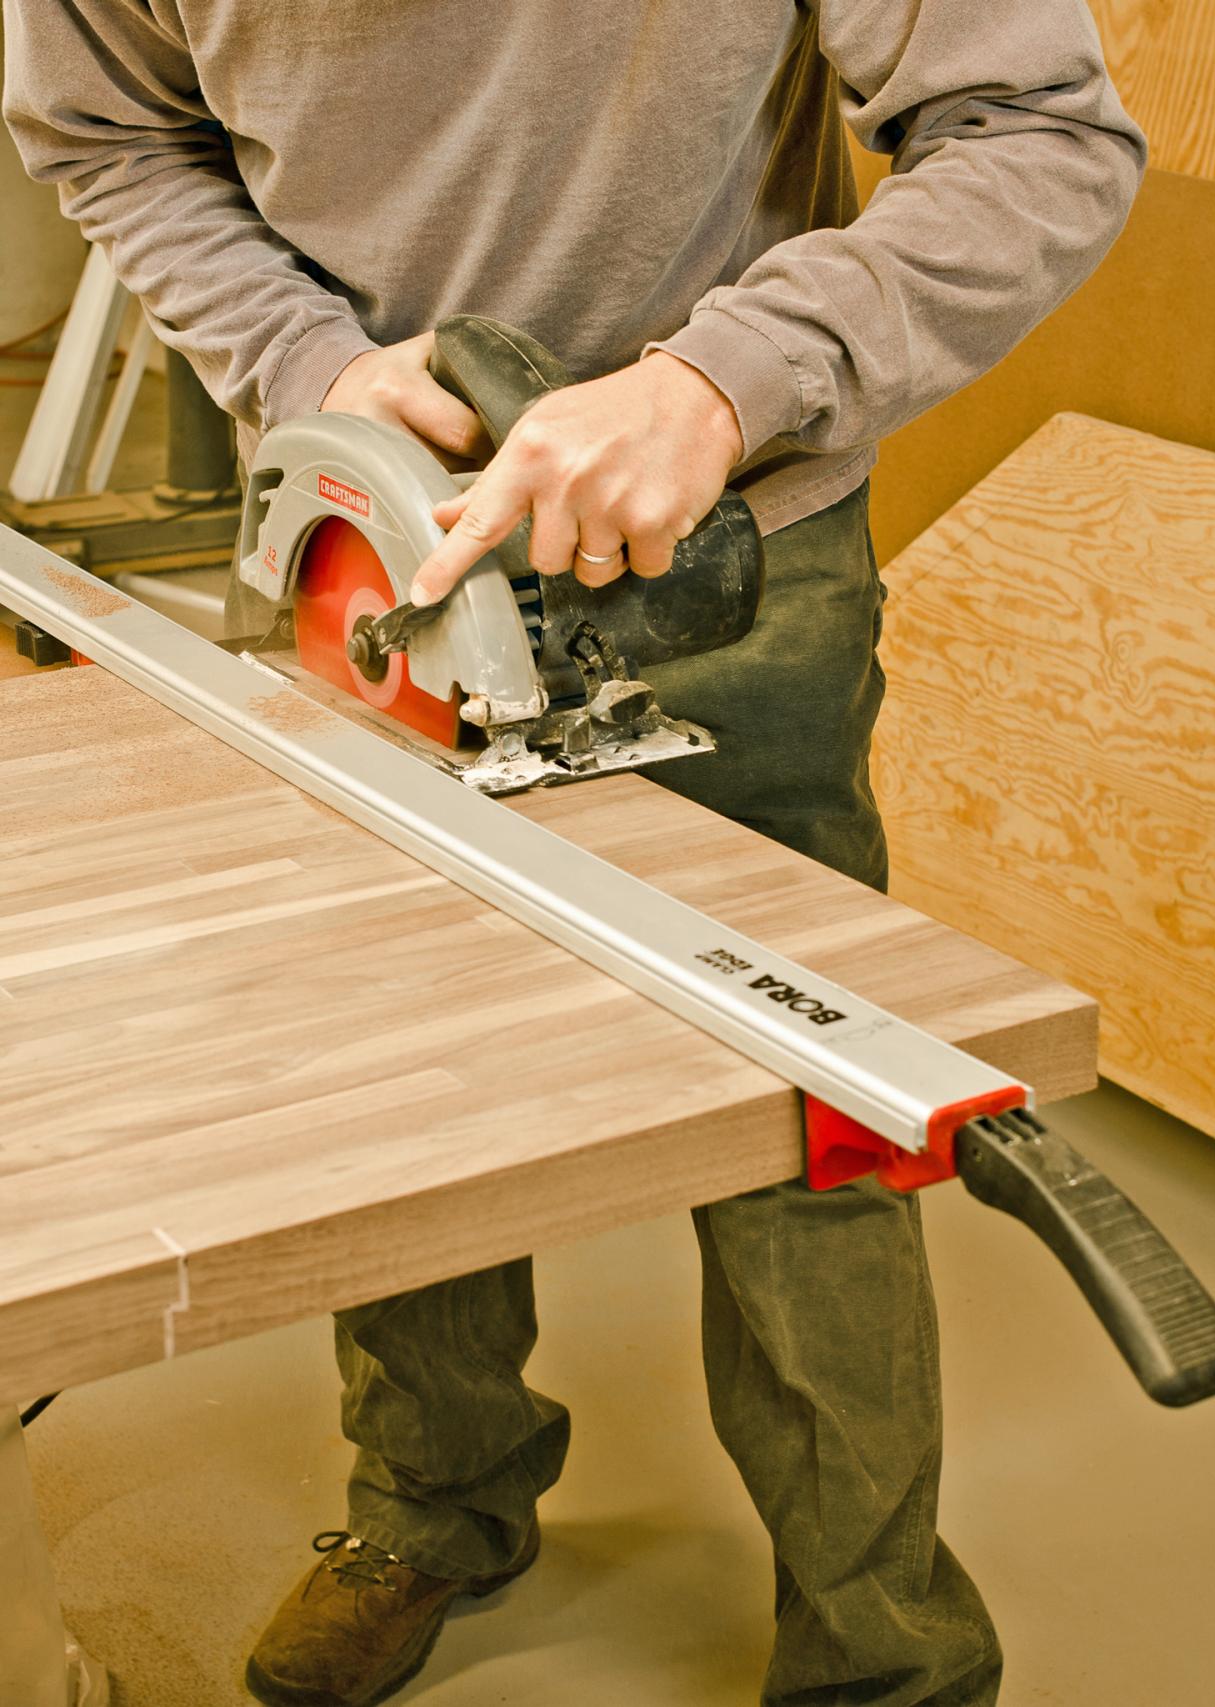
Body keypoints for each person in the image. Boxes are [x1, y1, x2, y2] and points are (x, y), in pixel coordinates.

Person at [4, 4, 1144, 1703]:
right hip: (377, 538)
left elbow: (1041, 131)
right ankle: (435, 1507)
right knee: (413, 1074)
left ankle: (879, 1646)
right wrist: (311, 367)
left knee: (807, 1109)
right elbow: (108, 135)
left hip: (730, 538)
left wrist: (723, 378)